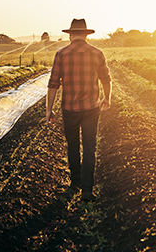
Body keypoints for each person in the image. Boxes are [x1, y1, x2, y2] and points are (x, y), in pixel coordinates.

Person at [46, 18, 111, 202]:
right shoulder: (97, 53)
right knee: (90, 146)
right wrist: (107, 99)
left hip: (69, 108)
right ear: (86, 35)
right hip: (91, 108)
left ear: (70, 35)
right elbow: (106, 80)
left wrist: (49, 110)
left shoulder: (61, 54)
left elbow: (53, 84)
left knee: (73, 145)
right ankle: (87, 190)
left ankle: (75, 183)